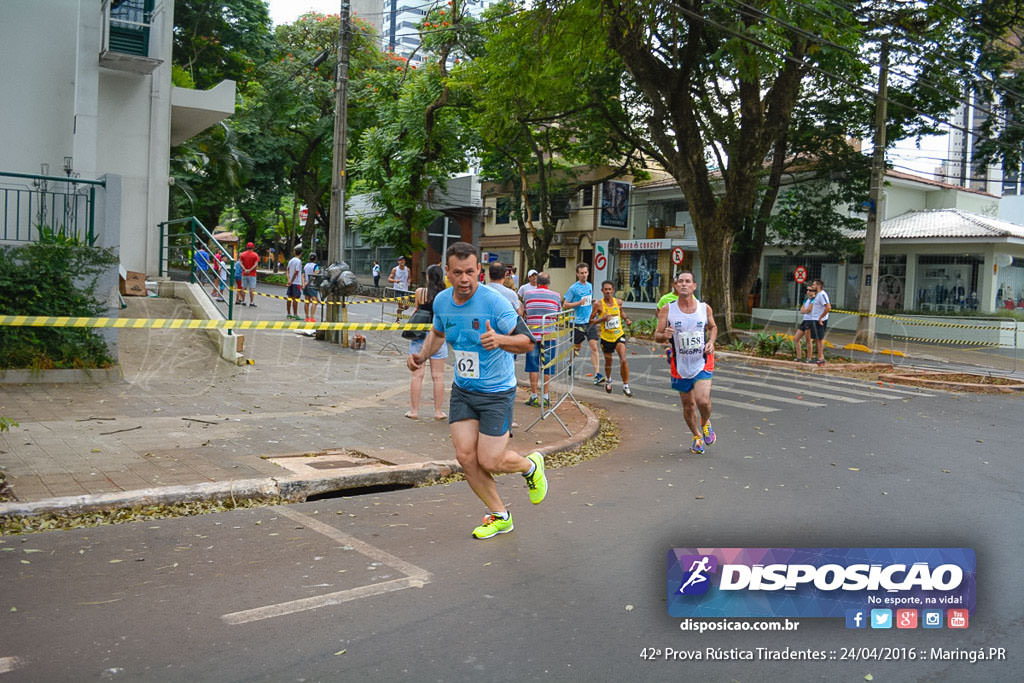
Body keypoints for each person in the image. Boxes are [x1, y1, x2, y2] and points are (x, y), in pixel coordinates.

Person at [408, 242, 546, 540]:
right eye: (457, 273)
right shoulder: (443, 301)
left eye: (470, 272)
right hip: (464, 390)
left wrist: (499, 339)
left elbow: (527, 341)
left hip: (497, 392)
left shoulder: (494, 302)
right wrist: (421, 355)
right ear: (447, 273)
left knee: (491, 460)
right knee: (465, 456)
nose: (464, 279)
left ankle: (530, 466)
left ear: (479, 271)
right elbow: (438, 333)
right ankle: (500, 515)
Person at [654, 270, 717, 455]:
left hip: (702, 360)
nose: (683, 284)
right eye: (680, 281)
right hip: (680, 364)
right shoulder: (668, 309)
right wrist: (663, 335)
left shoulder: (704, 308)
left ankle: (705, 422)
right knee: (688, 405)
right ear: (675, 286)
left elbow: (713, 327)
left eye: (687, 281)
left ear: (694, 286)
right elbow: (657, 335)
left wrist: (711, 342)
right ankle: (697, 436)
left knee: (702, 400)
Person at [406, 264, 448, 421]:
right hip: (438, 336)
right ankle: (438, 412)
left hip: (419, 337)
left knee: (417, 375)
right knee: (438, 376)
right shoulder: (445, 295)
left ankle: (414, 411)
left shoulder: (420, 292)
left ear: (428, 277)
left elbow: (416, 311)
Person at [522, 272, 562, 407]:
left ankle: (534, 396)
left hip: (532, 336)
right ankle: (545, 396)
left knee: (533, 366)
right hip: (549, 335)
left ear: (537, 282)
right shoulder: (556, 296)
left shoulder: (527, 295)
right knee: (547, 367)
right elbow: (558, 314)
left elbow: (525, 311)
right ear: (548, 282)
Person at [591, 280, 632, 396]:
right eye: (606, 289)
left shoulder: (618, 302)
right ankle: (608, 379)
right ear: (602, 291)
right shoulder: (598, 305)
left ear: (613, 290)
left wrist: (626, 319)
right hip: (606, 338)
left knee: (623, 359)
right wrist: (601, 319)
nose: (608, 291)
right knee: (608, 362)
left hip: (618, 335)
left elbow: (621, 312)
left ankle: (626, 385)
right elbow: (590, 321)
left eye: (610, 289)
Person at [564, 263, 602, 383]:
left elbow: (587, 301)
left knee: (594, 347)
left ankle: (597, 374)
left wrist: (592, 301)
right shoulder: (573, 288)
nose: (584, 275)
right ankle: (570, 362)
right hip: (577, 322)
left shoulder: (590, 286)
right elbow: (565, 304)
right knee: (577, 347)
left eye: (586, 272)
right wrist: (578, 303)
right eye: (581, 273)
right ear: (577, 274)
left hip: (590, 322)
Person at [809, 279, 832, 366]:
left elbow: (828, 307)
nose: (812, 286)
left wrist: (821, 318)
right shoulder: (818, 295)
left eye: (814, 285)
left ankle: (821, 358)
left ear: (819, 286)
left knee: (820, 338)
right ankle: (819, 356)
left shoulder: (822, 294)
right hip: (815, 319)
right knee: (817, 339)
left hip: (819, 320)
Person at [794, 283, 816, 362]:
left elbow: (808, 310)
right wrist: (804, 311)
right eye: (807, 290)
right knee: (796, 338)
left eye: (810, 290)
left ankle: (809, 358)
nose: (808, 292)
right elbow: (802, 310)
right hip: (805, 320)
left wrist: (804, 311)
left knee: (808, 340)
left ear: (814, 292)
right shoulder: (806, 299)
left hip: (810, 321)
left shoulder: (814, 300)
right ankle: (799, 357)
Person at [238, 242, 260, 307]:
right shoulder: (255, 255)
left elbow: (240, 263)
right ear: (253, 247)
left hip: (244, 274)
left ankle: (243, 301)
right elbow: (256, 264)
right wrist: (250, 270)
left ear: (247, 247)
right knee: (252, 288)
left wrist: (245, 269)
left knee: (243, 287)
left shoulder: (242, 254)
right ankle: (251, 302)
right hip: (252, 274)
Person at [285, 246, 304, 320]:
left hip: (291, 282)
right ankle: (295, 314)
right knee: (295, 299)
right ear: (301, 253)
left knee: (289, 297)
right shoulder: (299, 261)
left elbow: (287, 270)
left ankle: (289, 313)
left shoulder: (291, 260)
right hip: (296, 282)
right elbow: (296, 272)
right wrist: (292, 280)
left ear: (294, 252)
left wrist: (289, 280)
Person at [303, 253, 320, 323]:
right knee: (315, 301)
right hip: (312, 286)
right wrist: (308, 283)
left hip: (306, 286)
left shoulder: (306, 266)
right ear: (315, 259)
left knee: (307, 301)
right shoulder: (316, 266)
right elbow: (314, 276)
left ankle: (307, 317)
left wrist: (304, 283)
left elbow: (303, 275)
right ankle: (312, 317)